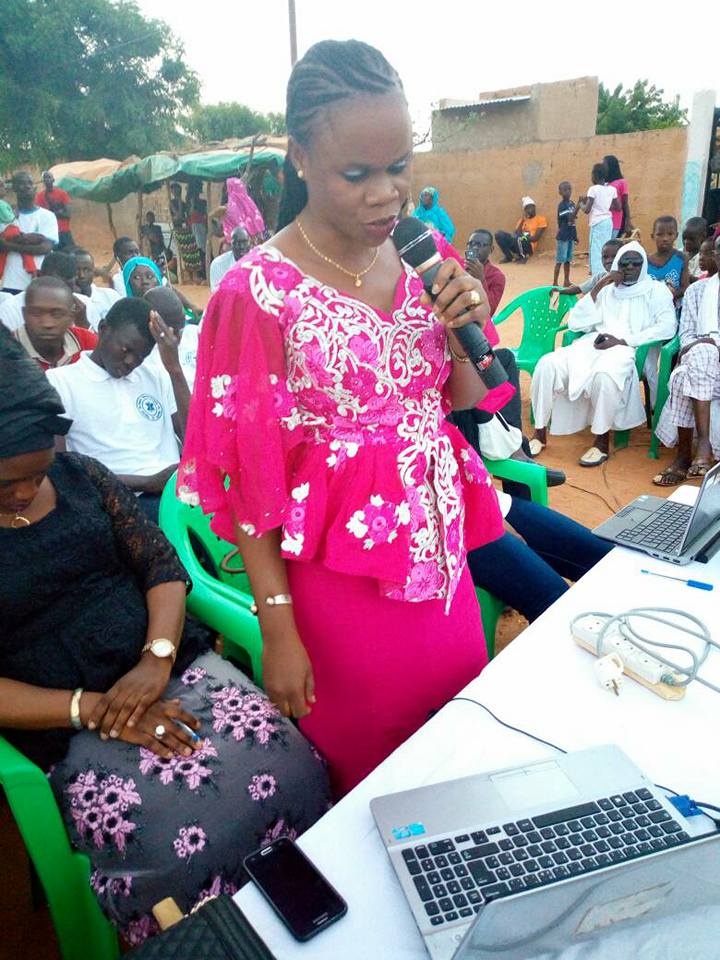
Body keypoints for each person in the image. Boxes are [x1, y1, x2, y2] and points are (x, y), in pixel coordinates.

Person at [178, 39, 505, 796]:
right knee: (372, 782)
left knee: (456, 756)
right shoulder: (258, 292)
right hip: (343, 586)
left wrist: (468, 320)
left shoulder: (424, 254)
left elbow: (457, 400)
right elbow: (248, 478)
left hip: (443, 565)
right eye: (356, 175)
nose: (386, 195)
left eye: (399, 167)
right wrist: (278, 628)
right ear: (299, 157)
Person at [0, 329, 330, 945]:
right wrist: (92, 709)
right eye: (3, 485)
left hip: (169, 662)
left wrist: (156, 659)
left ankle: (303, 912)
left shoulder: (81, 475)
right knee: (172, 830)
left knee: (292, 767)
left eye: (35, 474)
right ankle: (199, 944)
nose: (22, 493)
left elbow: (161, 567)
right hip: (61, 718)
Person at [530, 242, 677, 467]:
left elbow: (667, 327)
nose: (629, 267)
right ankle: (539, 433)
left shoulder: (656, 291)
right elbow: (577, 322)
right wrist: (600, 286)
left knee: (604, 376)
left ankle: (601, 441)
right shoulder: (608, 290)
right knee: (546, 364)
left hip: (627, 349)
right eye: (624, 263)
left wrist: (624, 341)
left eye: (635, 263)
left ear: (643, 265)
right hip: (592, 343)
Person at [47, 298, 189, 523]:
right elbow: (61, 470)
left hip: (174, 494)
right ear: (103, 329)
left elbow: (193, 437)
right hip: (115, 500)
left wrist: (175, 369)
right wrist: (148, 482)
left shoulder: (156, 376)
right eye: (125, 350)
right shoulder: (61, 382)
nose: (132, 361)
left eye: (141, 356)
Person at [653, 236, 720, 484]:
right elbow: (687, 335)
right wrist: (708, 345)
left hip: (704, 366)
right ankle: (701, 446)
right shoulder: (697, 291)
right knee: (695, 362)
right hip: (701, 364)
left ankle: (684, 457)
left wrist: (714, 343)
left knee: (684, 375)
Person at [0, 250, 101, 333]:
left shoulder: (84, 305)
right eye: (52, 287)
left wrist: (83, 323)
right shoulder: (11, 308)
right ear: (39, 276)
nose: (57, 295)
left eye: (66, 289)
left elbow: (98, 347)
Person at [13, 276, 97, 370]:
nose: (47, 323)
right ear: (24, 314)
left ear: (71, 316)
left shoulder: (87, 342)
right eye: (36, 313)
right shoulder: (5, 350)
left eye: (57, 314)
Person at [0, 172, 58, 294]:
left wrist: (8, 245)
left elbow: (45, 248)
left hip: (38, 282)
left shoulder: (47, 216)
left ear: (35, 188)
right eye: (21, 183)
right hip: (11, 280)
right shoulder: (5, 215)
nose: (26, 186)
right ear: (14, 188)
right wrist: (29, 240)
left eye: (30, 183)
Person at [144, 286, 200, 391]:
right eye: (171, 332)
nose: (178, 337)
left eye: (181, 329)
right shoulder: (148, 361)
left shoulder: (194, 334)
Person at [576, 164, 619, 275]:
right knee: (606, 248)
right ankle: (605, 273)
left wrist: (580, 204)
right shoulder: (612, 189)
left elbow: (587, 210)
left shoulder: (593, 189)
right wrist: (604, 205)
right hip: (608, 222)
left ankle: (597, 276)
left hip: (597, 223)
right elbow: (618, 207)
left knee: (596, 250)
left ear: (595, 175)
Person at [551, 238, 624, 298]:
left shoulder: (627, 280)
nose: (608, 261)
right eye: (605, 257)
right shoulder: (600, 277)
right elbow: (579, 289)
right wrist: (560, 292)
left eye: (614, 256)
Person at [0, 179, 39, 282]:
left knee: (2, 255)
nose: (4, 188)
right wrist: (15, 213)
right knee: (25, 249)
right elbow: (8, 218)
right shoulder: (1, 204)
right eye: (1, 186)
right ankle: (32, 269)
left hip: (2, 232)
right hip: (10, 229)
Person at [648, 216, 689, 306]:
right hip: (649, 307)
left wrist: (666, 297)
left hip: (672, 308)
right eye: (660, 234)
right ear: (652, 236)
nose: (665, 238)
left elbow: (685, 288)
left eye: (670, 234)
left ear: (676, 236)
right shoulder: (646, 261)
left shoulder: (681, 258)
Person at [464, 229, 506, 315]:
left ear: (491, 249)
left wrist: (481, 279)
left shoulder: (497, 276)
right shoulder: (458, 265)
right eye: (471, 244)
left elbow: (490, 311)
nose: (475, 248)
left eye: (480, 245)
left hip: (476, 320)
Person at [495, 197, 547, 264]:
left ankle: (523, 257)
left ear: (534, 207)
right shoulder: (522, 220)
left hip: (529, 246)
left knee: (519, 237)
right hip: (517, 243)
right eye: (527, 208)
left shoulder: (541, 219)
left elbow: (535, 238)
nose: (529, 210)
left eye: (530, 207)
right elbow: (516, 233)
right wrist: (523, 220)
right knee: (499, 234)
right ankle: (509, 257)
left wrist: (522, 237)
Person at [74, 248, 121, 319]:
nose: (82, 275)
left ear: (93, 271)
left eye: (86, 270)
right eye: (76, 270)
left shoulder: (111, 296)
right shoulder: (66, 302)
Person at [34, 171, 73, 249]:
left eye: (49, 177)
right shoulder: (39, 196)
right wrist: (59, 212)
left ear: (53, 180)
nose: (47, 179)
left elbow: (68, 214)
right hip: (50, 233)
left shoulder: (62, 193)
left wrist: (51, 213)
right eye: (45, 178)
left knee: (72, 253)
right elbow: (40, 216)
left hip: (64, 231)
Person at [209, 226, 251, 291]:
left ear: (250, 243)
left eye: (244, 242)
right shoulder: (218, 264)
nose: (242, 247)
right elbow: (217, 293)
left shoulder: (258, 261)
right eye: (238, 243)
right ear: (231, 245)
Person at [553, 181, 578, 287]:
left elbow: (573, 222)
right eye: (565, 190)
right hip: (563, 237)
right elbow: (570, 218)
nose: (568, 192)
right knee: (560, 260)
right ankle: (555, 282)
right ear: (560, 192)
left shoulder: (572, 204)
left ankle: (566, 280)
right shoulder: (562, 206)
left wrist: (575, 236)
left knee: (568, 260)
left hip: (570, 236)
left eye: (569, 189)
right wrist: (579, 206)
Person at [603, 155, 633, 239]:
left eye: (604, 165)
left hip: (617, 221)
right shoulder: (605, 184)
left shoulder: (621, 182)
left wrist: (627, 221)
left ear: (611, 166)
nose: (603, 167)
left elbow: (625, 203)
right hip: (604, 221)